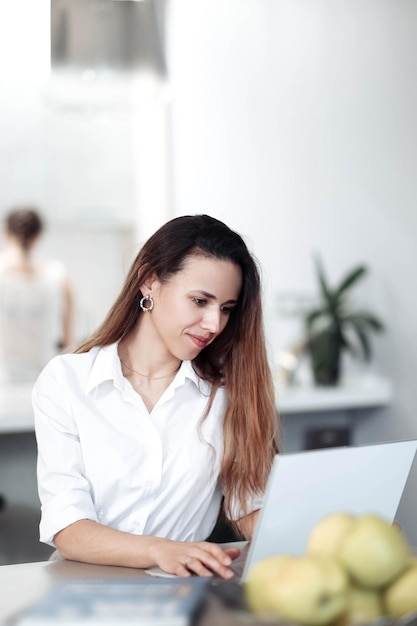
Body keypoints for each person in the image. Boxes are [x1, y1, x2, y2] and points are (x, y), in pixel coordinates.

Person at [33, 214, 280, 579]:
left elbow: (252, 508)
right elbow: (69, 527)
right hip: (84, 591)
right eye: (200, 301)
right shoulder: (67, 381)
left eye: (226, 308)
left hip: (184, 593)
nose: (215, 323)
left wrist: (340, 540)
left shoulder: (227, 392)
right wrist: (159, 550)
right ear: (149, 281)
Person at [0, 207, 74, 384]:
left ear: (6, 232)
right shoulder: (58, 276)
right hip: (46, 378)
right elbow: (68, 343)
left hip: (4, 380)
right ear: (38, 235)